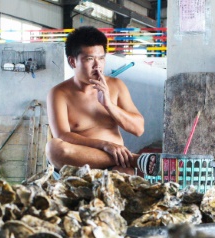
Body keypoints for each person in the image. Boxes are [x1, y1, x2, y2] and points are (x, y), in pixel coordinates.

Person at [45, 26, 156, 176]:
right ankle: (133, 159)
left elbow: (138, 129)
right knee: (53, 148)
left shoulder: (116, 86)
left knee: (125, 174)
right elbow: (62, 135)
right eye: (89, 59)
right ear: (73, 61)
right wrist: (105, 145)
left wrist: (108, 105)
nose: (97, 66)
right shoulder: (59, 93)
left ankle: (126, 161)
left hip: (115, 167)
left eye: (101, 58)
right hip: (78, 166)